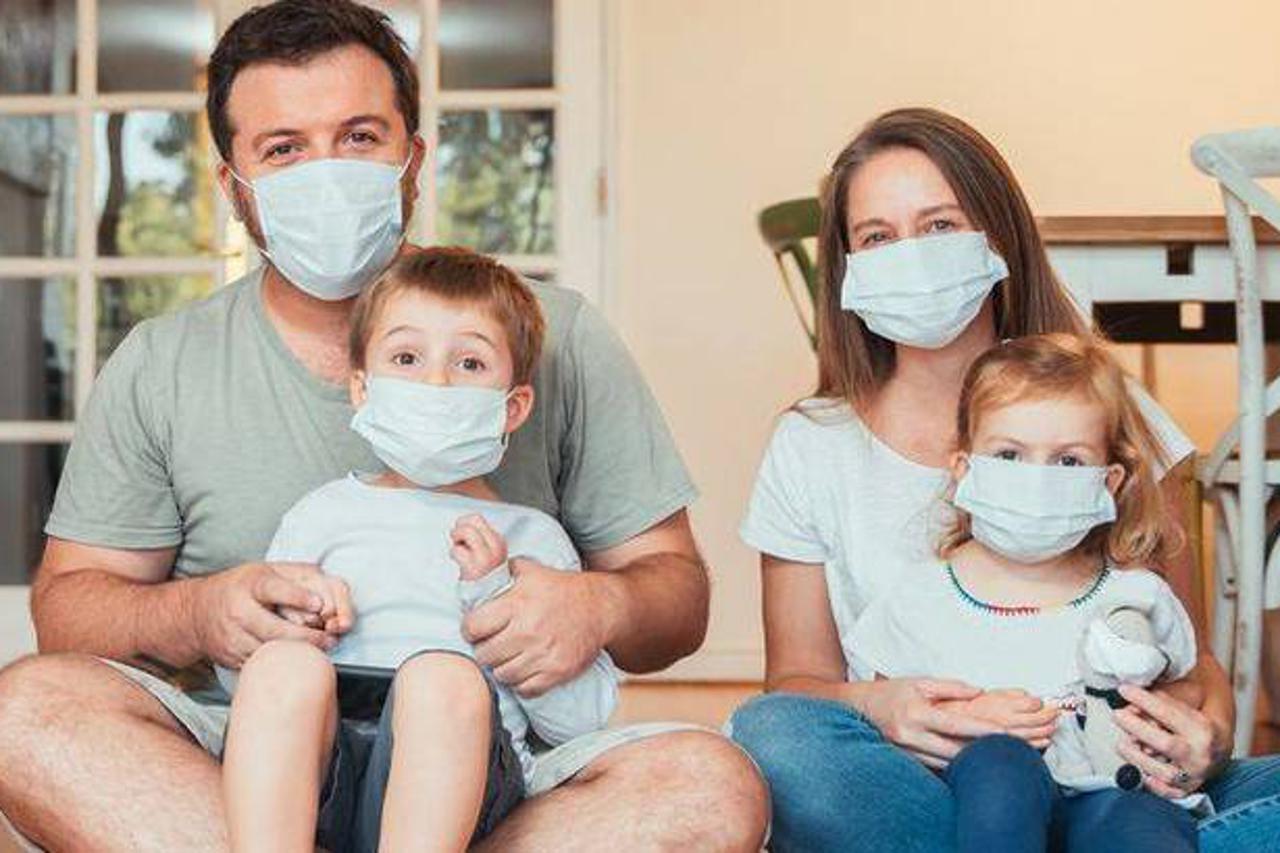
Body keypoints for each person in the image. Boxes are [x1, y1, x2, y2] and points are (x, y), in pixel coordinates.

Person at [0, 2, 768, 851]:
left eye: (359, 137)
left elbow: (676, 597)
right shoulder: (164, 362)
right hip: (242, 769)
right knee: (24, 713)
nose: (326, 173)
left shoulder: (558, 338)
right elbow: (68, 613)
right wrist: (198, 613)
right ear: (232, 184)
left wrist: (600, 604)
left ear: (414, 159)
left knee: (710, 788)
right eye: (284, 149)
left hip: (496, 771)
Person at [727, 107, 1280, 852]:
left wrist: (1200, 734)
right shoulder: (812, 443)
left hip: (1114, 784)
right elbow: (797, 681)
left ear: (997, 235)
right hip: (925, 785)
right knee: (774, 736)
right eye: (878, 237)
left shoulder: (1120, 414)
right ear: (848, 266)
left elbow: (1191, 660)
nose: (912, 255)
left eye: (940, 225)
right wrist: (884, 706)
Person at [220, 248, 618, 853]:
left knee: (441, 680)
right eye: (407, 358)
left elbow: (579, 722)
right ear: (362, 387)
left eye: (469, 362)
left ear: (512, 407)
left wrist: (499, 599)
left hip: (463, 788)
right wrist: (292, 625)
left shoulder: (533, 542)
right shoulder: (320, 516)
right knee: (281, 666)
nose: (436, 383)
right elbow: (244, 682)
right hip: (323, 776)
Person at [852, 333, 1200, 853]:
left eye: (1068, 462)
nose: (1036, 479)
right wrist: (967, 719)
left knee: (1143, 821)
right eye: (1009, 454)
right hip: (975, 804)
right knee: (1000, 765)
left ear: (1108, 482)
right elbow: (887, 724)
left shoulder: (1138, 594)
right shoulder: (918, 597)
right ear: (964, 470)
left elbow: (1188, 690)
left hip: (1111, 790)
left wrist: (1143, 718)